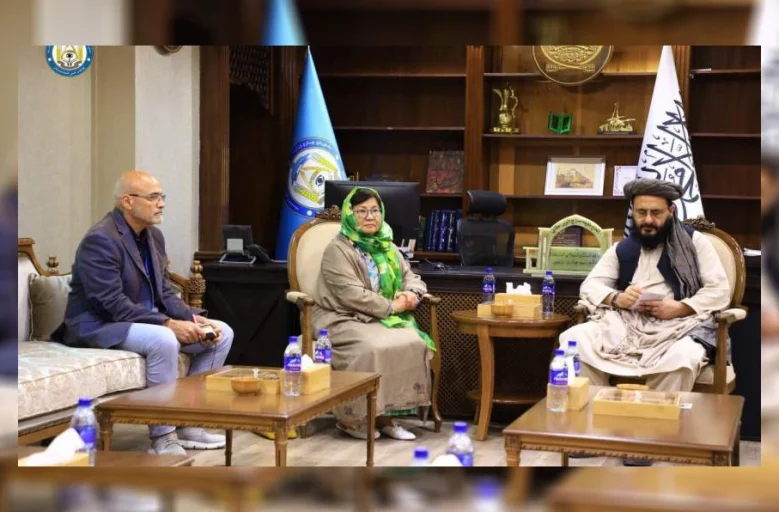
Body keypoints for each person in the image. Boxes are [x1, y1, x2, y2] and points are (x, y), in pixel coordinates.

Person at [53, 170, 234, 456]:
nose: (161, 203)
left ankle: (189, 424)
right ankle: (163, 437)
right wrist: (167, 323)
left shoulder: (153, 237)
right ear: (128, 201)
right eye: (153, 197)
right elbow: (111, 303)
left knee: (221, 333)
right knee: (164, 339)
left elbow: (165, 292)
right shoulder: (100, 239)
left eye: (162, 196)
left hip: (142, 320)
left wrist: (190, 317)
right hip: (100, 324)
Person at [559, 178, 731, 393]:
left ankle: (659, 413)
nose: (648, 220)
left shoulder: (695, 243)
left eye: (656, 212)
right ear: (633, 211)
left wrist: (680, 307)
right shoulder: (623, 248)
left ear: (671, 211)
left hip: (679, 325)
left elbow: (719, 290)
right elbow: (590, 285)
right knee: (573, 339)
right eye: (641, 212)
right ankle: (597, 408)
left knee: (683, 356)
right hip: (625, 324)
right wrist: (617, 298)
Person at [312, 187, 435, 440]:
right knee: (372, 348)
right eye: (362, 211)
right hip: (341, 317)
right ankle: (354, 419)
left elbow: (411, 276)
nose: (370, 217)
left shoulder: (386, 245)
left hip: (378, 318)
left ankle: (386, 415)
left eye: (375, 210)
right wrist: (393, 307)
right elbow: (351, 294)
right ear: (349, 214)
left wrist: (412, 293)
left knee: (413, 341)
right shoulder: (338, 250)